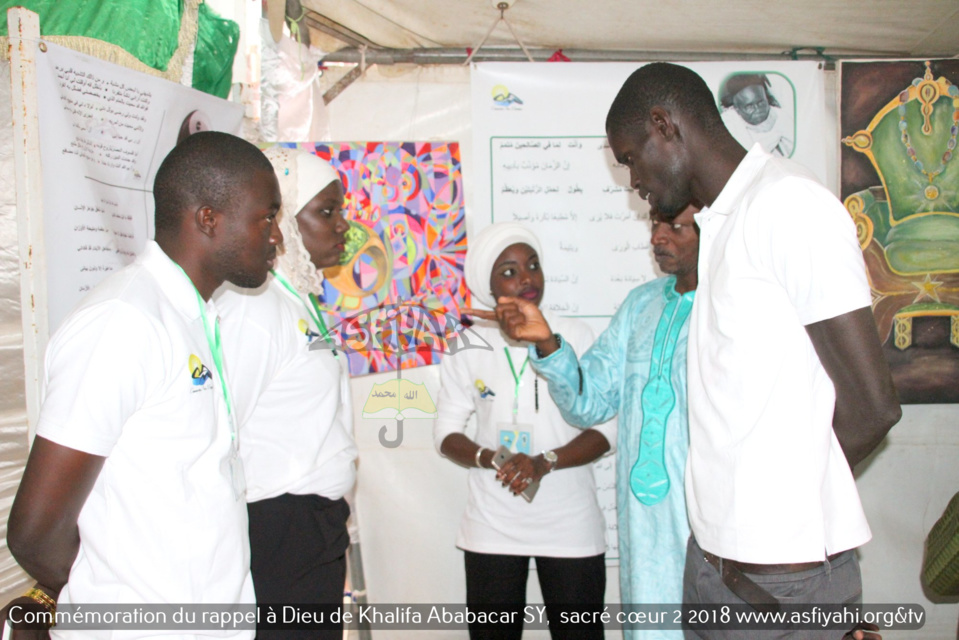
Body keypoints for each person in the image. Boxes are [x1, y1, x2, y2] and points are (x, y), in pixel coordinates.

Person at [603, 62, 900, 639]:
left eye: (630, 158)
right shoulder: (718, 225)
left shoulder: (789, 206)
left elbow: (872, 406)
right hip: (711, 566)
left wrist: (777, 515)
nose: (633, 181)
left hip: (782, 587)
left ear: (664, 125)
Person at [2, 131, 283, 639]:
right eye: (266, 217)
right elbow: (35, 531)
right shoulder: (124, 321)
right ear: (208, 219)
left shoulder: (194, 315)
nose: (275, 237)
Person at [472, 204, 700, 640]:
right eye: (655, 224)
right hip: (645, 529)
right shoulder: (641, 305)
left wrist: (546, 460)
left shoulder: (734, 303)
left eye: (675, 227)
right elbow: (588, 403)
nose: (658, 238)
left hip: (708, 525)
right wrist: (548, 344)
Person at [435, 222, 614, 640]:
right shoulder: (467, 344)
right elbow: (445, 432)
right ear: (486, 283)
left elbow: (606, 430)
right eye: (510, 270)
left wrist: (543, 462)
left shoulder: (575, 336)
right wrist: (491, 458)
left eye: (533, 265)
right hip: (491, 525)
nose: (527, 278)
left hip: (571, 526)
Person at [214, 146, 358, 639]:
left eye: (340, 211)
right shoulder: (254, 310)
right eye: (326, 211)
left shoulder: (297, 301)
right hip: (278, 527)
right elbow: (220, 427)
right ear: (282, 219)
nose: (343, 225)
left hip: (310, 527)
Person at [718, 73, 794, 157]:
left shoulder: (780, 116)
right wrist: (775, 136)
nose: (757, 109)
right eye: (749, 106)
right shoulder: (729, 122)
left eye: (761, 102)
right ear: (737, 109)